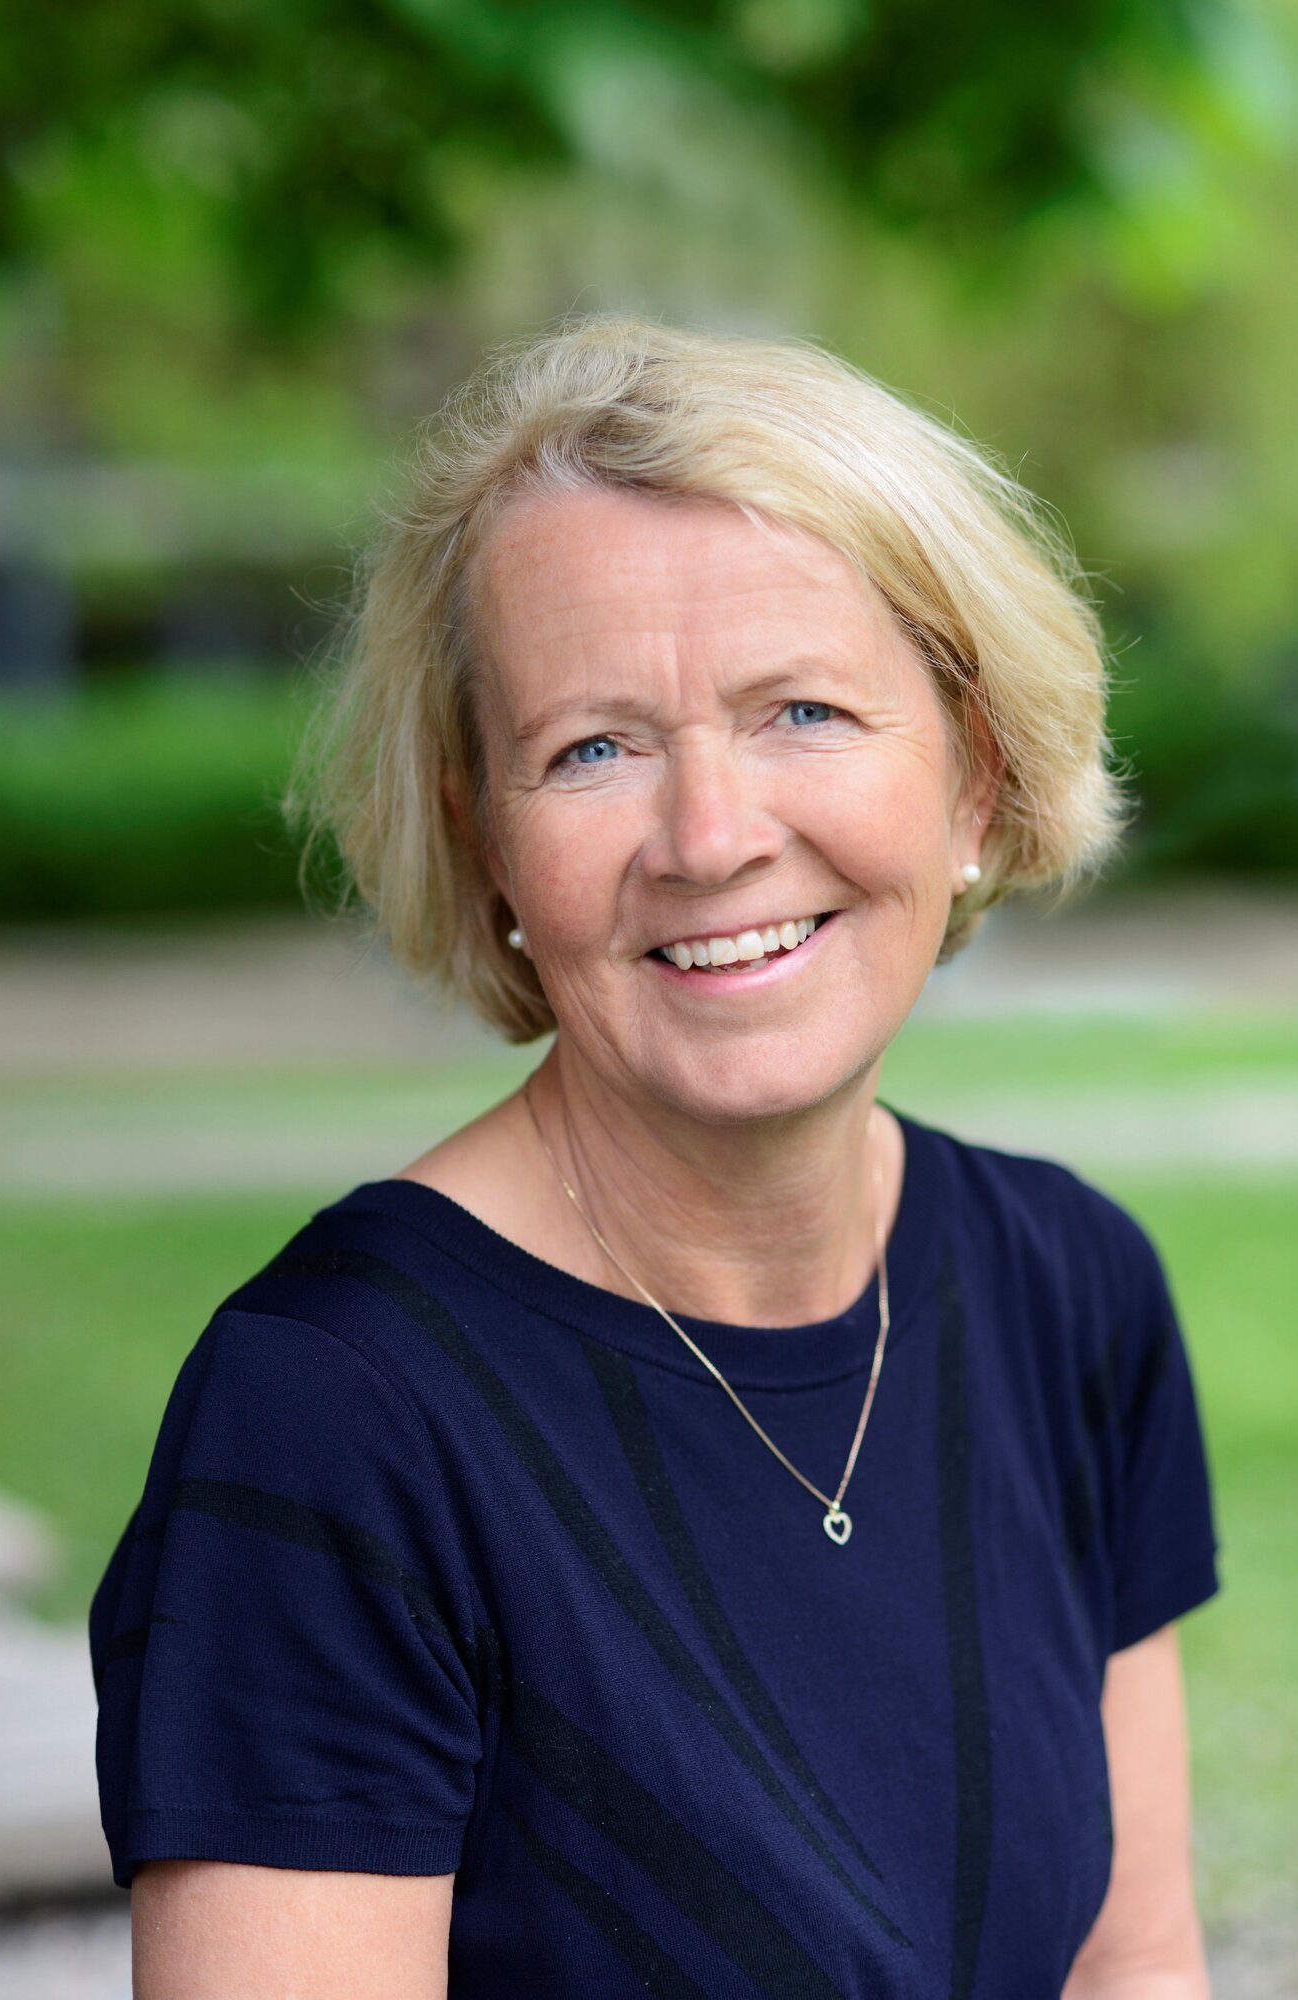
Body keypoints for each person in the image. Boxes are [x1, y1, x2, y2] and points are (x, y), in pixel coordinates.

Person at [90, 315, 1220, 1999]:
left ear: (976, 778)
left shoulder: (1073, 1291)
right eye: (594, 749)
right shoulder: (329, 1414)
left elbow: (1133, 1969)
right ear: (485, 838)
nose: (709, 838)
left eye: (803, 710)